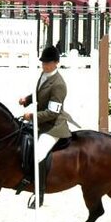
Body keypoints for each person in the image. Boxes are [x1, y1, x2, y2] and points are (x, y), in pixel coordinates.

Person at [17, 45, 73, 207]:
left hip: (53, 126)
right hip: (41, 122)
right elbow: (39, 93)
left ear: (56, 63)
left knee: (39, 154)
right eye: (43, 62)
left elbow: (52, 113)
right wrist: (27, 100)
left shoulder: (59, 84)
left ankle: (39, 194)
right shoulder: (44, 74)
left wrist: (32, 116)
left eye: (48, 63)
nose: (44, 65)